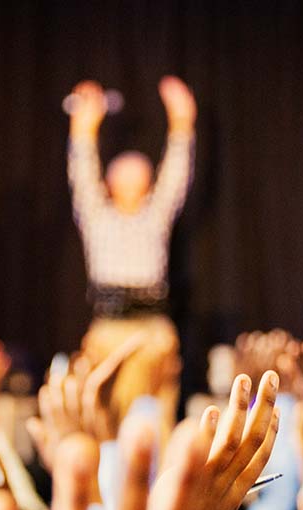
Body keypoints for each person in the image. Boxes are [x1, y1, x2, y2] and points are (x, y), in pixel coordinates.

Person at [66, 75, 196, 425]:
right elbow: (82, 173)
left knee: (154, 420)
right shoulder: (98, 216)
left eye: (140, 172)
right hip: (109, 327)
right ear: (109, 182)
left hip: (152, 328)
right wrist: (84, 127)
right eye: (123, 173)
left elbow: (176, 177)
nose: (132, 177)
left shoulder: (155, 216)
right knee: (106, 417)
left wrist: (182, 123)